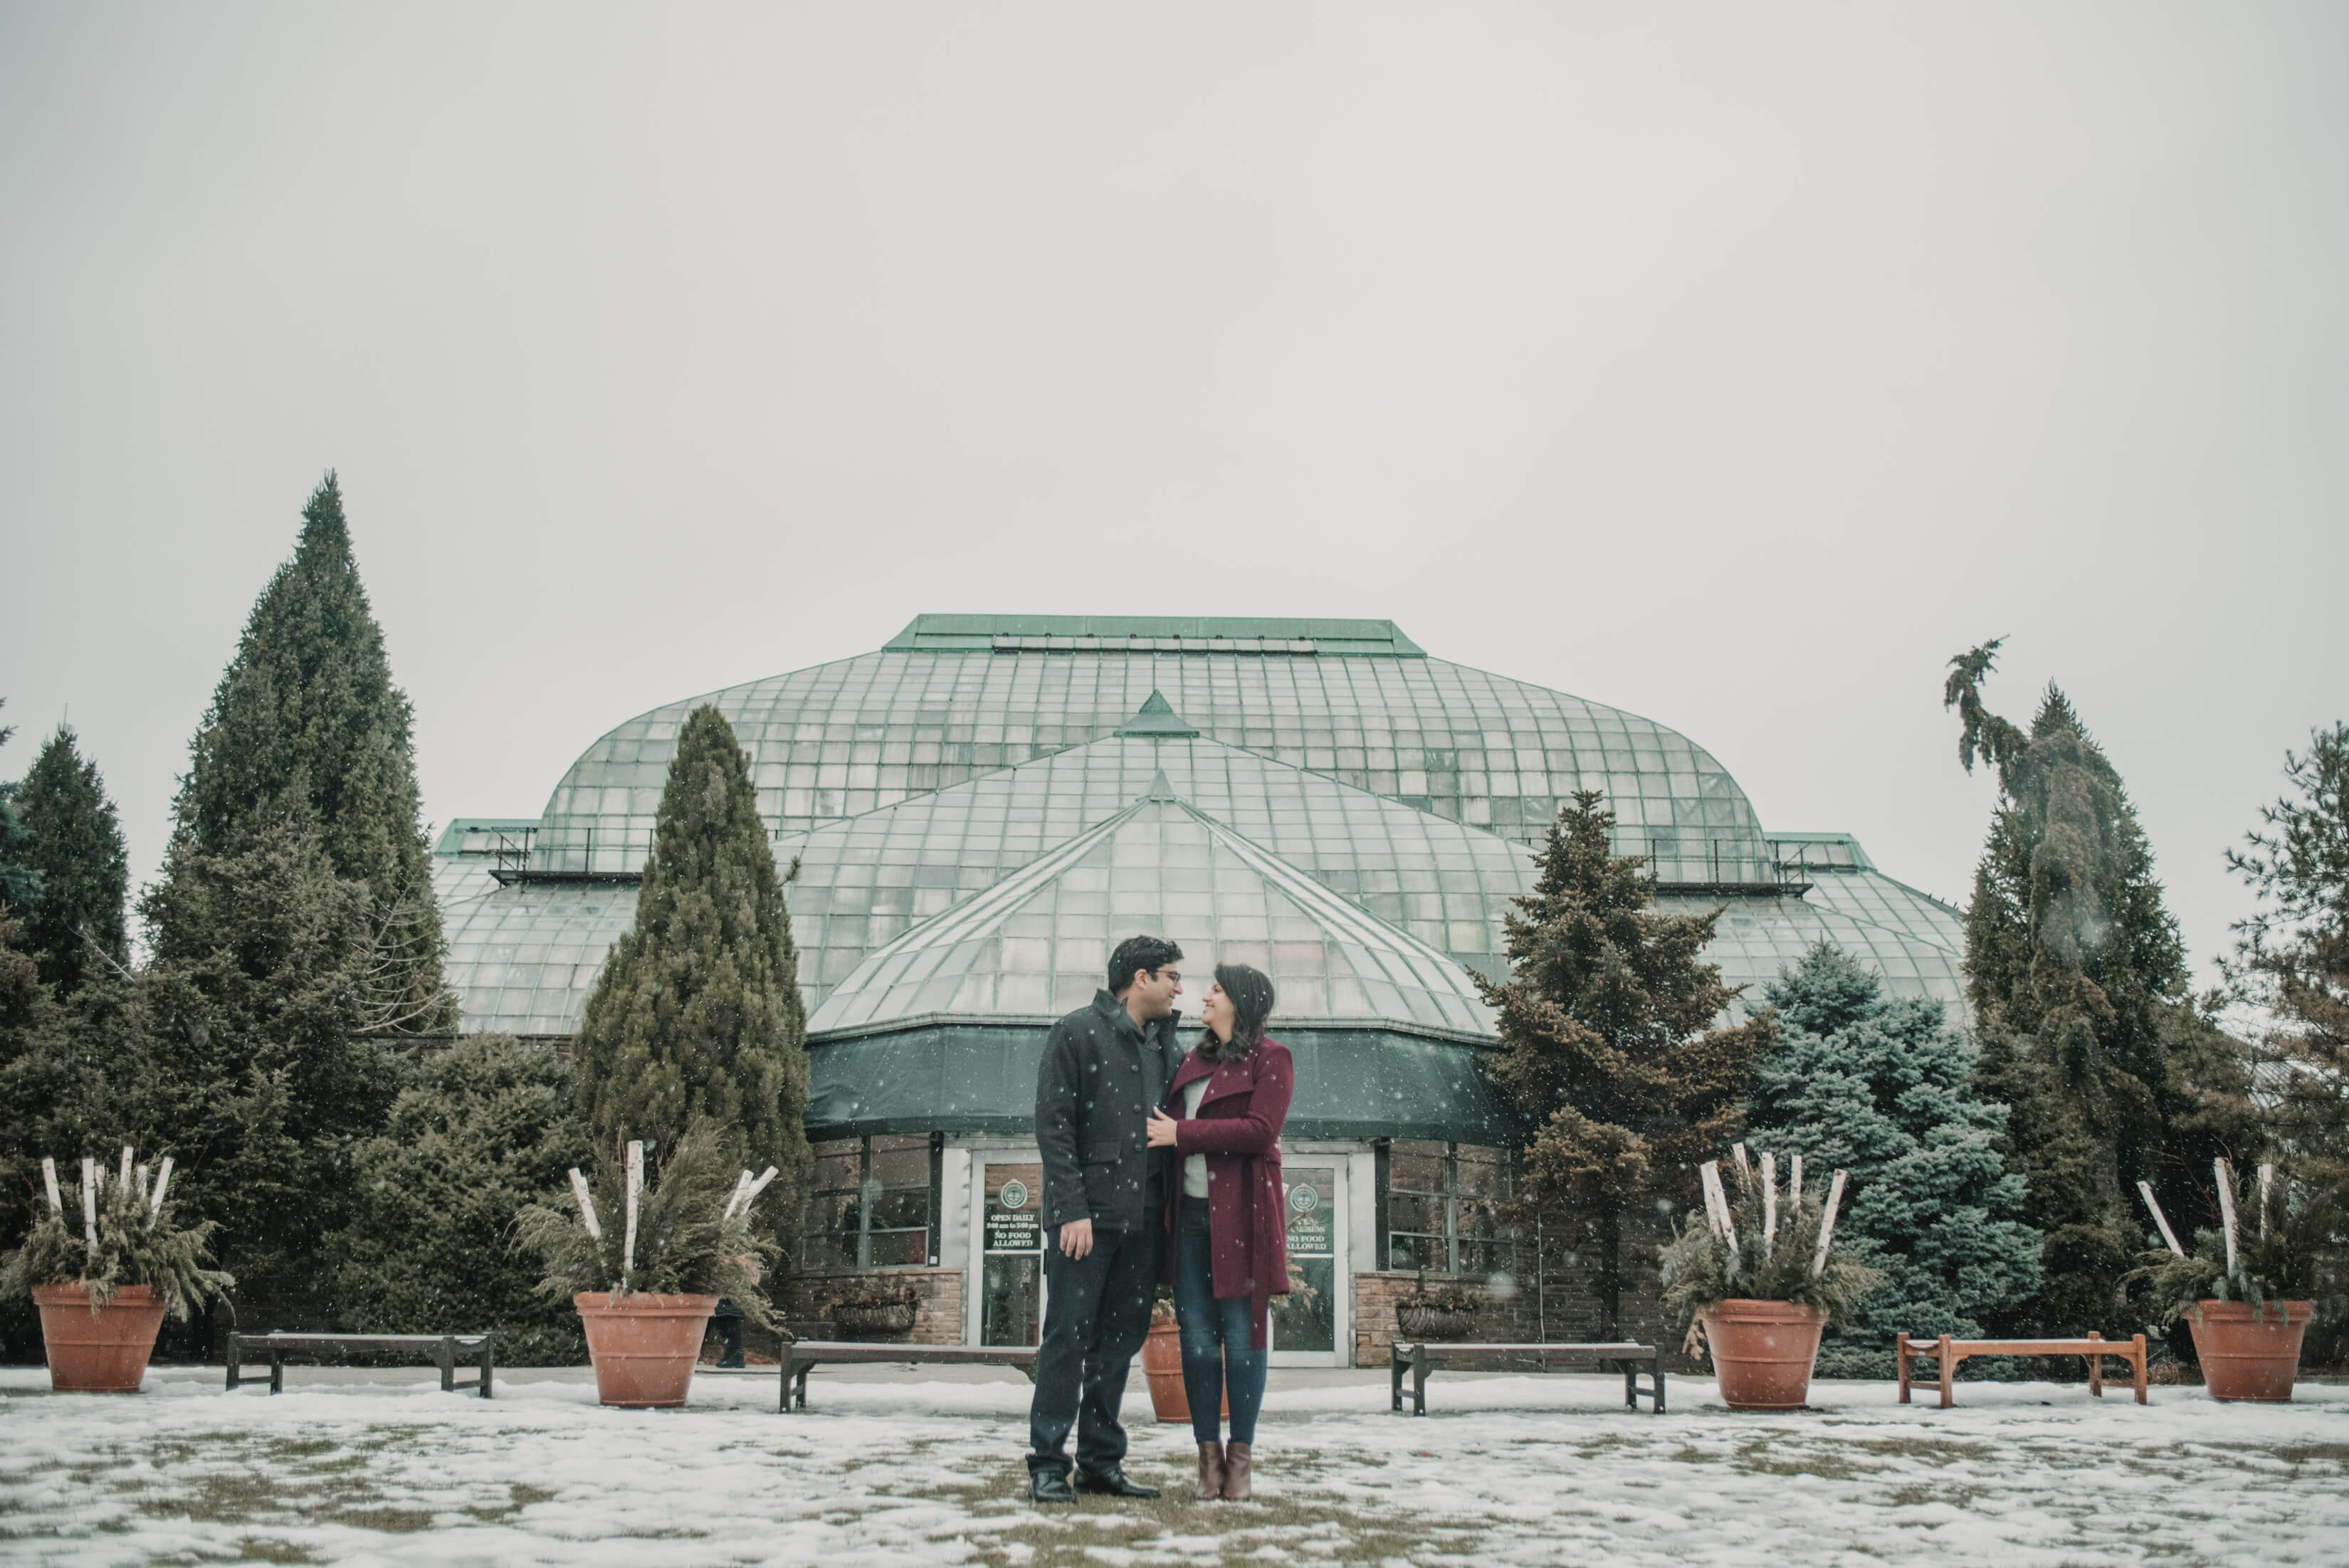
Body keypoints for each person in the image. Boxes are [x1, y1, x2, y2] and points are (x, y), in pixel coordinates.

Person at [1026, 934, 1188, 1504]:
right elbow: (1054, 1125)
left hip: (1143, 1222)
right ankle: (1048, 1463)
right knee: (1067, 1339)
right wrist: (1071, 1209)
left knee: (1119, 1343)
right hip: (1085, 1222)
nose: (1178, 986)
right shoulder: (1074, 1032)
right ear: (1138, 978)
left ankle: (1100, 1461)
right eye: (1169, 974)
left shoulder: (1166, 1045)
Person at [1145, 963, 1292, 1503]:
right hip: (1189, 1220)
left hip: (1244, 1220)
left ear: (1243, 1002)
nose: (1205, 996)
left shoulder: (1271, 1058)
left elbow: (1259, 1131)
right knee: (1198, 1344)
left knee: (1244, 1341)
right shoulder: (1193, 1058)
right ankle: (1207, 1460)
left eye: (1217, 989)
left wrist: (1183, 1132)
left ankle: (1241, 1460)